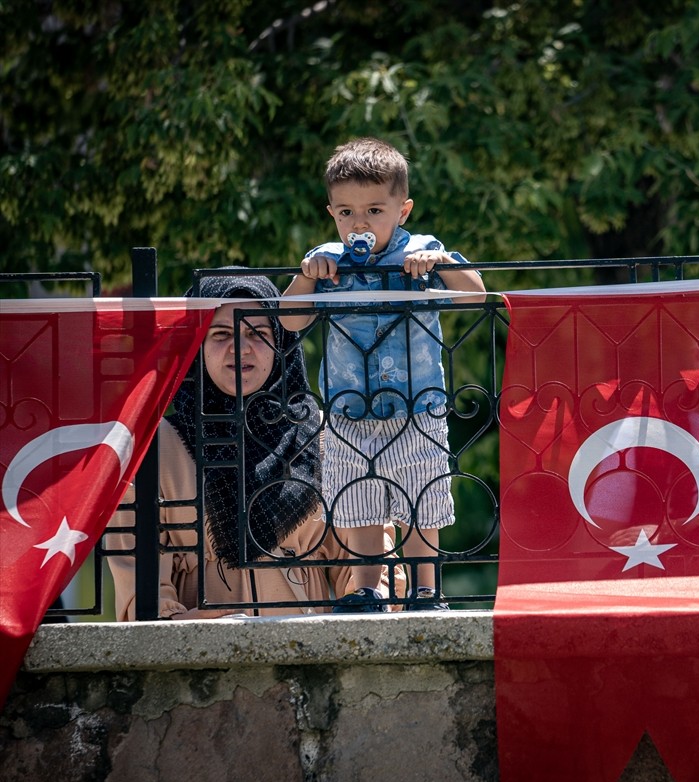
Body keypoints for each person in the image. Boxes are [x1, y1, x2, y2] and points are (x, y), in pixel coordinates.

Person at [106, 272, 394, 619]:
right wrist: (219, 629)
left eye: (257, 333)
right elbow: (142, 587)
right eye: (221, 334)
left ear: (280, 343)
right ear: (195, 345)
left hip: (310, 655)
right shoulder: (154, 447)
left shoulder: (324, 436)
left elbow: (368, 555)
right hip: (199, 657)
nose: (239, 348)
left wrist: (362, 611)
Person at [282, 137, 486, 611]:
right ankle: (368, 587)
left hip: (416, 405)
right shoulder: (327, 259)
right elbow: (290, 321)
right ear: (331, 212)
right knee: (359, 503)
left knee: (422, 500)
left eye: (375, 210)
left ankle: (426, 591)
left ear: (403, 210)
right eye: (347, 212)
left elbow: (476, 296)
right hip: (349, 408)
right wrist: (309, 275)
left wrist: (441, 264)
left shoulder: (422, 250)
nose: (360, 223)